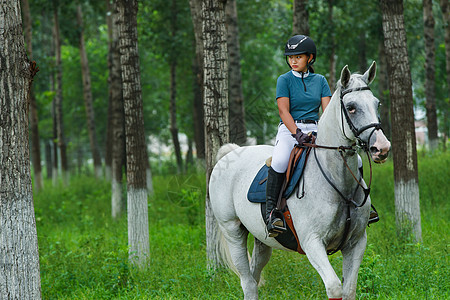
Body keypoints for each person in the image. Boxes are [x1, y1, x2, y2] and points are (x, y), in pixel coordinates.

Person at [265, 35, 332, 237]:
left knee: (351, 158)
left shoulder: (320, 81)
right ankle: (271, 213)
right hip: (290, 129)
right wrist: (296, 133)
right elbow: (283, 111)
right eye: (290, 57)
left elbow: (327, 113)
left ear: (310, 58)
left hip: (316, 128)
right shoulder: (284, 80)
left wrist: (324, 132)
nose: (293, 61)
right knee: (280, 161)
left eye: (298, 57)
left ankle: (361, 206)